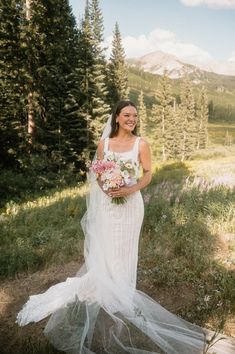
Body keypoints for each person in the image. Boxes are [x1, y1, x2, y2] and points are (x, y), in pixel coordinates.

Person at [16, 100, 206, 353]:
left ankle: (122, 288)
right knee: (107, 243)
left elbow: (148, 173)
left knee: (126, 245)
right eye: (127, 115)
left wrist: (129, 189)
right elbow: (98, 173)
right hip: (108, 202)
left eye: (135, 115)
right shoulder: (104, 144)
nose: (132, 119)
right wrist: (107, 188)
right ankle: (105, 285)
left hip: (131, 204)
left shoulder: (142, 144)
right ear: (116, 117)